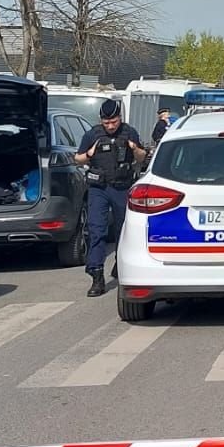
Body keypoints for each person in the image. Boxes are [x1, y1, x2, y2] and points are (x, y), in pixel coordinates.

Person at [74, 98, 148, 298]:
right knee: (96, 230)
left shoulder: (129, 132)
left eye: (113, 122)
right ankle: (96, 275)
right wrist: (89, 154)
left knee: (123, 231)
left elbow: (142, 157)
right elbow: (78, 158)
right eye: (106, 122)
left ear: (119, 118)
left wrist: (134, 148)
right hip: (99, 188)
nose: (110, 126)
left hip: (122, 187)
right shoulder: (93, 134)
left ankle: (120, 263)